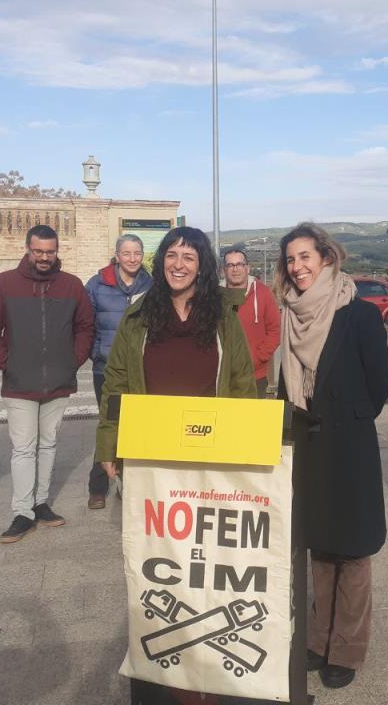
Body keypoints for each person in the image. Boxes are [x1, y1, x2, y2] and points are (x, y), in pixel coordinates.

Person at [94, 226, 255, 705]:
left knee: (208, 566)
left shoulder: (225, 316)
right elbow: (117, 382)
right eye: (171, 255)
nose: (179, 263)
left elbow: (244, 384)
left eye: (189, 256)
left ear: (203, 265)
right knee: (160, 566)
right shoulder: (139, 315)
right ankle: (169, 677)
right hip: (154, 459)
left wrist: (248, 449)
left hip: (212, 459)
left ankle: (211, 673)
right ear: (160, 262)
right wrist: (110, 443)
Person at [275, 223, 388, 690]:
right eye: (290, 259)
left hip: (350, 445)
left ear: (326, 257)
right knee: (320, 547)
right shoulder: (289, 315)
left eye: (305, 257)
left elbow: (378, 381)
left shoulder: (358, 314)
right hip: (308, 447)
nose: (297, 267)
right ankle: (316, 636)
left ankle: (346, 647)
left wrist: (349, 414)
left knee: (354, 550)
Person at [0, 224, 94, 544]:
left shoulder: (71, 286)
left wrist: (74, 359)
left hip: (58, 381)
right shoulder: (5, 283)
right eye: (38, 251)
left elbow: (86, 325)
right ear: (28, 249)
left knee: (48, 444)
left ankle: (41, 503)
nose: (44, 257)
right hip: (19, 382)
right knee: (24, 448)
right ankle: (22, 511)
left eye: (50, 251)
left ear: (57, 251)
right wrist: (6, 360)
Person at [84, 234, 153, 509]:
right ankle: (98, 486)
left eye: (137, 253)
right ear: (117, 255)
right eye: (127, 253)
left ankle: (130, 484)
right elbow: (85, 323)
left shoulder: (152, 285)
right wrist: (95, 351)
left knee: (135, 428)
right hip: (105, 368)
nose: (133, 258)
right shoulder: (97, 284)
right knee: (108, 424)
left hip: (140, 368)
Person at [222, 247, 281, 397]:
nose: (235, 269)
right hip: (222, 376)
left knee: (250, 420)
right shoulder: (215, 296)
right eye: (230, 265)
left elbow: (275, 330)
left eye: (240, 264)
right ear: (224, 270)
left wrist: (256, 359)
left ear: (247, 268)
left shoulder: (263, 293)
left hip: (255, 376)